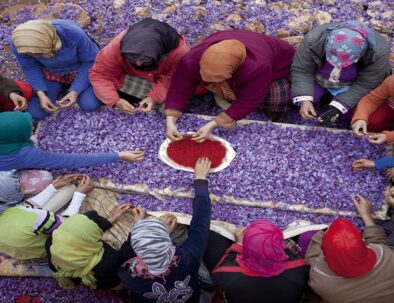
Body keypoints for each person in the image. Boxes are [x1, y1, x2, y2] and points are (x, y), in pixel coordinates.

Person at [164, 30, 295, 142]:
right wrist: (170, 121)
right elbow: (180, 84)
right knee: (201, 81)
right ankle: (226, 91)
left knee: (278, 96)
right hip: (233, 53)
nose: (214, 84)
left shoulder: (257, 67)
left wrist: (214, 124)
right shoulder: (193, 58)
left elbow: (251, 99)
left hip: (278, 66)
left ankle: (272, 111)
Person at [117, 157, 212, 302]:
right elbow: (201, 221)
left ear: (136, 252)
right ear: (168, 240)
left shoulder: (129, 271)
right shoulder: (189, 256)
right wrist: (200, 179)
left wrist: (140, 226)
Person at [291, 21, 390, 126]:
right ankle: (324, 98)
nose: (338, 66)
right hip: (320, 78)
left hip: (349, 84)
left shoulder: (379, 52)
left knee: (346, 114)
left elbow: (366, 83)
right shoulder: (313, 39)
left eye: (344, 64)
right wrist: (305, 100)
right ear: (326, 44)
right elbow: (302, 69)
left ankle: (332, 100)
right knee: (297, 98)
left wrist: (339, 106)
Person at [89, 18, 189, 114]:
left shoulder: (178, 53)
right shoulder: (118, 46)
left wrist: (153, 98)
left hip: (159, 81)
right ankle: (126, 96)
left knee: (171, 109)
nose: (138, 64)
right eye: (132, 58)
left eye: (145, 59)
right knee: (105, 90)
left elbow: (170, 81)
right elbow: (99, 74)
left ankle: (138, 97)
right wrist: (115, 100)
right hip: (128, 76)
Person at [305, 195, 394, 303]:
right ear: (363, 243)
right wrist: (366, 215)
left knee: (306, 237)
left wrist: (321, 236)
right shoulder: (388, 256)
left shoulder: (321, 281)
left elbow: (312, 259)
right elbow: (377, 242)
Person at [12, 19, 102, 120]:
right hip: (51, 73)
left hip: (78, 69)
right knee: (37, 112)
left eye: (39, 53)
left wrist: (75, 90)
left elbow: (89, 61)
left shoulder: (72, 33)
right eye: (33, 54)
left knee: (89, 104)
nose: (37, 56)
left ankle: (73, 89)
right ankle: (59, 89)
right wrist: (40, 93)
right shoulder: (20, 45)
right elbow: (30, 67)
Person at [0, 111, 144, 170]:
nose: (33, 126)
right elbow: (70, 160)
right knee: (43, 178)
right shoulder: (24, 155)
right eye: (29, 127)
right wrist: (118, 155)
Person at [211, 220, 309, 303]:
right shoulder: (299, 268)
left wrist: (238, 244)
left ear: (246, 248)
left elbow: (220, 269)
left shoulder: (228, 274)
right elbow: (289, 254)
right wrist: (270, 243)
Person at [0, 174, 92, 260]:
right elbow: (67, 226)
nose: (23, 183)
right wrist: (79, 195)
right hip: (48, 247)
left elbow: (27, 205)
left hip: (23, 251)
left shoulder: (9, 211)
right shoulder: (34, 217)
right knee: (88, 218)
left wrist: (54, 186)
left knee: (68, 188)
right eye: (20, 187)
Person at [46, 203, 134, 289]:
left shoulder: (51, 242)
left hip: (70, 271)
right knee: (118, 281)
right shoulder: (107, 261)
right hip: (104, 280)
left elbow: (81, 232)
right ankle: (119, 287)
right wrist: (139, 225)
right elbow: (127, 251)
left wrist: (113, 218)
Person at [352, 75, 394, 143]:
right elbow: (371, 100)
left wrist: (389, 136)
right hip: (391, 106)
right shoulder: (392, 81)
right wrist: (360, 117)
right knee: (368, 119)